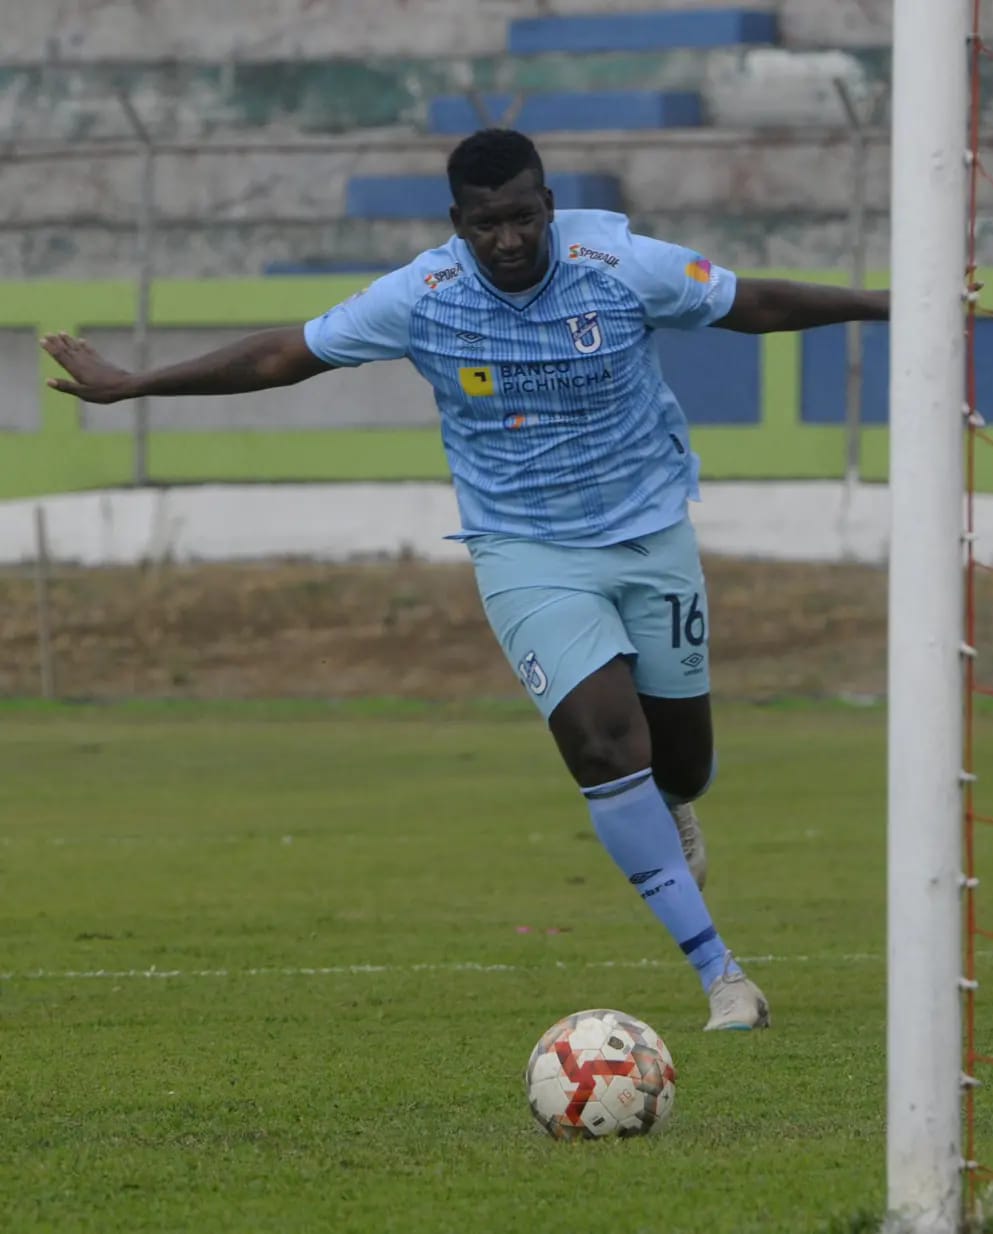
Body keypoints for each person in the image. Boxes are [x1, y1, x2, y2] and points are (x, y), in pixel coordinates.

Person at [41, 128, 888, 1031]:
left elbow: (751, 302)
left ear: (550, 206)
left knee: (682, 761)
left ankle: (672, 802)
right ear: (460, 223)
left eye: (524, 218)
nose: (509, 240)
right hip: (523, 550)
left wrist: (890, 305)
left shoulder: (621, 265)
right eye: (488, 225)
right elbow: (282, 354)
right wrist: (135, 386)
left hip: (650, 536)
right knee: (603, 746)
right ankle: (724, 976)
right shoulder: (424, 296)